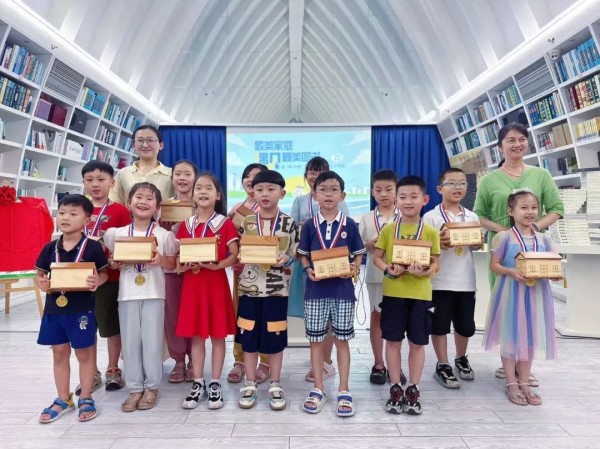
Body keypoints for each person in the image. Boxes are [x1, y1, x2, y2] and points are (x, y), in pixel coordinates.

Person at [474, 123, 563, 383]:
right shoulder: (488, 180)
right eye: (510, 140)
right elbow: (479, 215)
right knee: (507, 308)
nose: (517, 144)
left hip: (534, 249)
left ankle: (524, 367)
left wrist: (534, 227)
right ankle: (508, 364)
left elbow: (556, 209)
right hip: (504, 250)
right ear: (500, 146)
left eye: (522, 139)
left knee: (531, 308)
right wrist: (503, 230)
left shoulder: (541, 175)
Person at [103, 182, 178, 412]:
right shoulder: (116, 234)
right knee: (130, 342)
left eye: (149, 198)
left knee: (152, 341)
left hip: (154, 293)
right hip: (127, 294)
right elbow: (112, 261)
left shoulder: (164, 236)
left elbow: (172, 264)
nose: (143, 202)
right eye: (138, 197)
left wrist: (160, 260)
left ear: (157, 207)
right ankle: (135, 388)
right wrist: (113, 263)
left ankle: (152, 387)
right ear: (129, 203)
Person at [35, 194, 108, 423]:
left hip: (82, 310)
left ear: (87, 220)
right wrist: (42, 283)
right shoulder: (49, 248)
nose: (65, 218)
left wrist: (97, 281)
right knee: (59, 353)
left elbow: (104, 273)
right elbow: (39, 275)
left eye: (73, 214)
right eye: (62, 213)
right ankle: (63, 399)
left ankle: (86, 396)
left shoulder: (93, 247)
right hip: (54, 311)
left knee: (84, 353)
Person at [299, 171, 365, 417]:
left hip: (342, 291)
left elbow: (358, 254)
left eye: (334, 189)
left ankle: (344, 389)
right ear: (314, 195)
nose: (328, 194)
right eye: (323, 190)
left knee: (342, 340)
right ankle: (318, 388)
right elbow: (303, 256)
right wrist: (307, 270)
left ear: (343, 195)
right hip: (315, 291)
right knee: (316, 341)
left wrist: (354, 268)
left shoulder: (350, 224)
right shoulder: (309, 225)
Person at [373, 176, 440, 415]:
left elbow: (435, 263)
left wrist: (425, 271)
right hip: (394, 293)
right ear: (396, 200)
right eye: (402, 197)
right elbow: (377, 258)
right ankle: (395, 387)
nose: (408, 201)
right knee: (393, 341)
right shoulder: (389, 229)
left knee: (417, 343)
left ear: (425, 199)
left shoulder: (430, 231)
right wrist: (388, 270)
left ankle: (413, 388)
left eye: (413, 197)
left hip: (421, 294)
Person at [483, 189, 557, 406]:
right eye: (524, 207)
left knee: (530, 337)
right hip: (511, 292)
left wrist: (553, 274)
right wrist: (511, 271)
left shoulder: (544, 239)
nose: (530, 212)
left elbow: (551, 266)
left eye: (534, 207)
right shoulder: (503, 237)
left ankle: (524, 381)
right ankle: (511, 383)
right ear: (511, 211)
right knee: (511, 336)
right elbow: (494, 265)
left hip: (536, 295)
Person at [235, 170, 299, 411]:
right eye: (259, 189)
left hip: (277, 290)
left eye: (271, 189)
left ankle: (275, 383)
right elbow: (239, 250)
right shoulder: (247, 222)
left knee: (275, 336)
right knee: (248, 336)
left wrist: (287, 258)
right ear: (252, 192)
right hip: (249, 289)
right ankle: (250, 382)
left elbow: (295, 251)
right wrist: (241, 256)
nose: (265, 194)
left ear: (282, 193)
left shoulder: (289, 223)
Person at [176, 172, 239, 410]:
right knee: (196, 335)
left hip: (215, 284)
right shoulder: (186, 225)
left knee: (218, 335)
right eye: (199, 188)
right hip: (192, 286)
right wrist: (183, 265)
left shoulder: (225, 223)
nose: (203, 192)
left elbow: (234, 254)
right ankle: (198, 382)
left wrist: (218, 265)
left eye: (209, 188)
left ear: (218, 195)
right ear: (193, 195)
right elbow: (179, 257)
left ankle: (215, 383)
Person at [290, 156, 350, 383]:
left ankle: (326, 363)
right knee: (314, 314)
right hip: (308, 265)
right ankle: (317, 360)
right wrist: (303, 228)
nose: (315, 176)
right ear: (306, 176)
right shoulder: (299, 201)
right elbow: (292, 231)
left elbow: (346, 228)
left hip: (332, 263)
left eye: (320, 172)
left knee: (331, 316)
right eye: (311, 172)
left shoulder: (338, 200)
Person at [423, 168, 481, 389]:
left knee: (465, 325)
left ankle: (461, 358)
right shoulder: (431, 217)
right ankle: (443, 363)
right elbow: (424, 248)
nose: (458, 188)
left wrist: (477, 242)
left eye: (462, 183)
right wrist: (438, 243)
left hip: (466, 280)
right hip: (439, 281)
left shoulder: (472, 216)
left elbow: (476, 245)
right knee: (439, 325)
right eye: (452, 183)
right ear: (440, 189)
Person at [79, 161, 131, 394]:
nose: (95, 184)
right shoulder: (78, 208)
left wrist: (113, 259)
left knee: (110, 326)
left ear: (112, 182)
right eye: (89, 180)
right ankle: (90, 372)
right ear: (83, 183)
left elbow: (127, 243)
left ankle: (113, 368)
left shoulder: (120, 211)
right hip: (80, 280)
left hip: (110, 278)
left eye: (101, 179)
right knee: (85, 327)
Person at [358, 169, 406, 385]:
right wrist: (369, 245)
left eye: (388, 189)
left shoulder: (405, 215)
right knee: (377, 317)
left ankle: (396, 364)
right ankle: (379, 363)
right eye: (378, 190)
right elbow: (357, 248)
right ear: (372, 193)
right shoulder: (367, 218)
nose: (383, 194)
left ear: (396, 191)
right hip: (376, 275)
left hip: (404, 276)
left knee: (398, 320)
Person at [226, 163, 269, 384]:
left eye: (258, 177)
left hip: (266, 271)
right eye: (248, 176)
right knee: (240, 315)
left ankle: (265, 362)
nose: (252, 180)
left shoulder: (271, 208)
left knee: (265, 316)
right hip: (241, 271)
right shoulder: (236, 208)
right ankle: (240, 360)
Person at [162, 159, 198, 384]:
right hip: (170, 268)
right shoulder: (164, 206)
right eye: (178, 174)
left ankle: (195, 359)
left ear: (195, 178)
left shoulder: (201, 204)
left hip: (196, 267)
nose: (182, 178)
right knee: (172, 314)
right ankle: (178, 361)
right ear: (172, 177)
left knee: (194, 313)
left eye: (187, 174)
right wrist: (163, 227)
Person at [110, 125, 174, 205]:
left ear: (161, 145)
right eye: (140, 140)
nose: (145, 145)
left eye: (150, 140)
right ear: (133, 145)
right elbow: (114, 204)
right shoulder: (123, 173)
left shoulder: (171, 174)